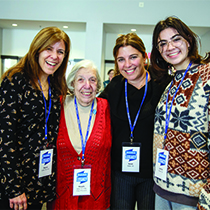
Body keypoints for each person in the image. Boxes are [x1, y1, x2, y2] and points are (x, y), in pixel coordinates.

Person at [0, 26, 70, 210]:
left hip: (40, 180)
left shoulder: (56, 86)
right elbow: (5, 138)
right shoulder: (15, 81)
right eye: (49, 49)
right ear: (37, 49)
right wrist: (14, 187)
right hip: (14, 183)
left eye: (60, 51)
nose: (54, 56)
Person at [99, 33, 171, 210]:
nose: (128, 64)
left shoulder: (162, 85)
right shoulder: (114, 87)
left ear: (144, 57)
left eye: (133, 57)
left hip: (153, 174)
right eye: (121, 59)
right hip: (121, 172)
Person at [151, 16, 210, 210]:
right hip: (161, 188)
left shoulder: (206, 75)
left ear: (188, 40)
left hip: (193, 195)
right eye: (163, 43)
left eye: (176, 39)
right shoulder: (170, 84)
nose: (170, 47)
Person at [48, 59, 112, 210]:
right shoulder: (59, 105)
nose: (87, 86)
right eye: (81, 80)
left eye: (92, 80)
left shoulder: (105, 107)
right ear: (72, 84)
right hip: (62, 195)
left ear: (98, 85)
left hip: (96, 197)